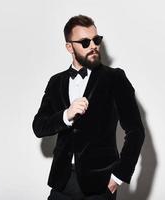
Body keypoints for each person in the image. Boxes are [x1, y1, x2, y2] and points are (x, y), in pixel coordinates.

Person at [32, 15, 145, 200]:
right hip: (62, 181)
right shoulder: (56, 82)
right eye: (85, 42)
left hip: (100, 185)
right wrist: (66, 115)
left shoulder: (115, 78)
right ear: (69, 47)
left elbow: (135, 131)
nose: (93, 46)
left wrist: (118, 177)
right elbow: (39, 127)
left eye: (96, 39)